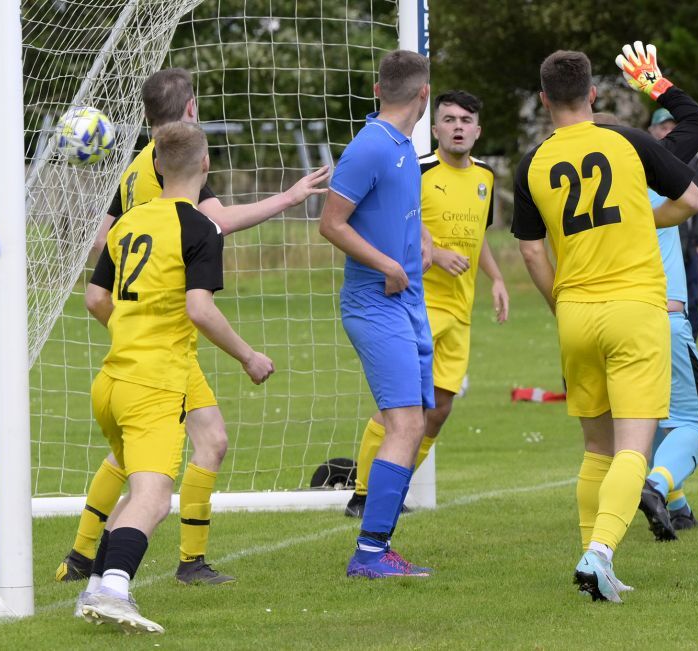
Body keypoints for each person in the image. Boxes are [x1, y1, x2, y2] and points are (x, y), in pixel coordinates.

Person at [57, 67, 328, 586]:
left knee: (202, 442)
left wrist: (130, 322)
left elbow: (101, 259)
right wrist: (289, 199)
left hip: (140, 342)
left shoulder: (139, 165)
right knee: (154, 469)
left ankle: (90, 560)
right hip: (164, 344)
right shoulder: (182, 162)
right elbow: (214, 224)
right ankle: (133, 570)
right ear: (191, 109)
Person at [512, 49, 698, 603]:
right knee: (632, 450)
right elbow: (690, 198)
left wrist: (560, 303)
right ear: (592, 93)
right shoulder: (629, 141)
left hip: (575, 314)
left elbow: (530, 251)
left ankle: (594, 560)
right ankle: (599, 554)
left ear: (544, 99)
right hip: (636, 311)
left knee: (596, 448)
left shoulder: (532, 161)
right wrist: (644, 218)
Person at [78, 122, 275, 632]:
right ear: (207, 166)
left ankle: (96, 585)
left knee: (135, 490)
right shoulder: (200, 228)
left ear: (156, 166)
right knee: (153, 497)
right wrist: (248, 356)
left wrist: (132, 331)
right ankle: (117, 588)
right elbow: (200, 309)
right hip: (156, 384)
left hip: (112, 381)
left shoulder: (126, 224)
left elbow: (96, 299)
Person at [344, 90, 509, 518]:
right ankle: (363, 494)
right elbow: (392, 222)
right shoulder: (416, 170)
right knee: (400, 404)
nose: (458, 126)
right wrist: (432, 251)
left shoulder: (486, 177)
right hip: (415, 304)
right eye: (449, 119)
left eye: (466, 120)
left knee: (440, 409)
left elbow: (477, 235)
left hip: (460, 310)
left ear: (478, 130)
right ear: (434, 128)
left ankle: (391, 491)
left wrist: (496, 278)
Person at [319, 50, 435, 579]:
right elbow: (332, 224)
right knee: (405, 424)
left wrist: (422, 243)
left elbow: (395, 211)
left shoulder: (402, 146)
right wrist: (389, 263)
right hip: (375, 304)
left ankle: (377, 547)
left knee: (416, 421)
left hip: (407, 303)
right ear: (424, 95)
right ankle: (370, 552)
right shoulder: (369, 147)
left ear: (376, 88)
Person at [611, 42, 698, 539]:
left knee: (643, 414)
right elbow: (697, 121)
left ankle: (676, 505)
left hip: (609, 316)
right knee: (694, 422)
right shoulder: (647, 171)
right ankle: (656, 484)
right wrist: (654, 82)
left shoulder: (574, 184)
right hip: (663, 313)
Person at [649, 108, 698, 340]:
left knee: (691, 302)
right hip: (658, 247)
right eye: (663, 128)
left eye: (672, 128)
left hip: (687, 247)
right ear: (652, 131)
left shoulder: (691, 163)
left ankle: (689, 344)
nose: (668, 132)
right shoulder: (642, 164)